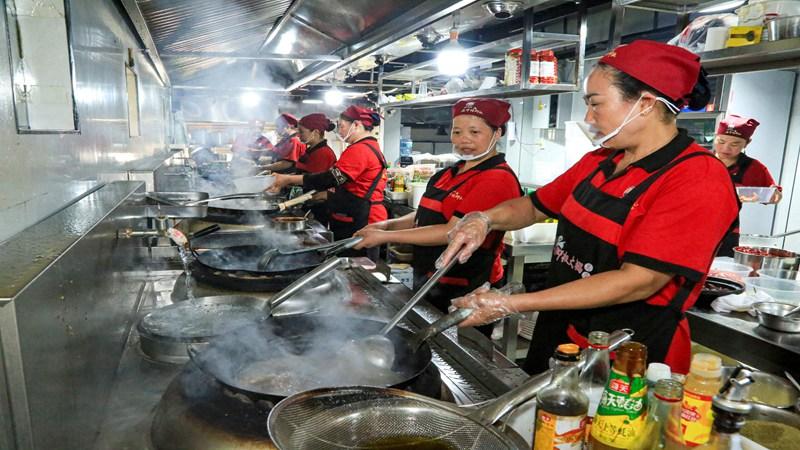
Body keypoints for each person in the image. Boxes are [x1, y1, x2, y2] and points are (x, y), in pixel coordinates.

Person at [440, 40, 739, 375]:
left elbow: (639, 281)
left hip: (624, 354)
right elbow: (535, 206)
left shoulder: (697, 177)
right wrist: (485, 219)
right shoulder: (601, 161)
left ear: (646, 104)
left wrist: (509, 304)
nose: (588, 117)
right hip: (560, 330)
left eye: (596, 104)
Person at [353, 98, 522, 315]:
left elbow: (450, 232)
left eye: (474, 132)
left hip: (467, 285)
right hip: (431, 277)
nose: (464, 140)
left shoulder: (496, 179)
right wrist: (385, 226)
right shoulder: (449, 173)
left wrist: (385, 237)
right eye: (457, 132)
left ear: (497, 133)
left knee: (458, 345)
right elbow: (423, 215)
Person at [269, 105, 388, 253]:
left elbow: (330, 179)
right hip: (357, 213)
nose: (339, 131)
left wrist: (287, 179)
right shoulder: (368, 146)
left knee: (357, 265)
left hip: (363, 219)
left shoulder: (360, 149)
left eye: (342, 126)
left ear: (356, 125)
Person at [714, 114, 781, 256]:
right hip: (689, 225)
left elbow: (774, 196)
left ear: (747, 143)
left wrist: (771, 195)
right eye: (721, 141)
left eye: (735, 144)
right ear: (715, 137)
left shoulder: (752, 167)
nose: (726, 148)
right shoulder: (702, 160)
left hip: (726, 232)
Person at [294, 113, 338, 226]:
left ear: (316, 132)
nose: (298, 135)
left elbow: (317, 183)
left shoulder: (323, 153)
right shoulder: (311, 150)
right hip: (309, 202)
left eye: (302, 131)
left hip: (317, 206)